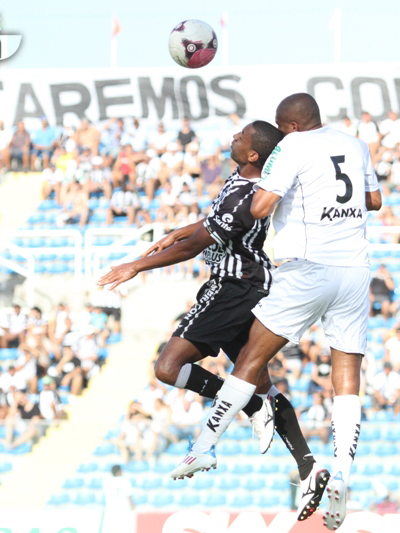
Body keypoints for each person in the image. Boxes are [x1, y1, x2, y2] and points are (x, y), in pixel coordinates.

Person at [166, 93, 382, 530]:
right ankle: (341, 470)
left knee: (250, 360)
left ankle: (206, 444)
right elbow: (374, 201)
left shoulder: (292, 146)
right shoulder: (355, 144)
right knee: (347, 376)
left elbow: (261, 206)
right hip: (356, 269)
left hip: (306, 268)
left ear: (291, 126)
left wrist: (234, 216)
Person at [96, 121, 323, 517]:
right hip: (249, 287)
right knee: (260, 383)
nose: (233, 138)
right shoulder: (242, 180)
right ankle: (308, 467)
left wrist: (138, 265)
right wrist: (177, 231)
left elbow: (198, 246)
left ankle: (251, 409)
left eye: (241, 138)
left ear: (254, 154)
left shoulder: (247, 194)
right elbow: (206, 227)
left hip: (233, 288)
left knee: (168, 367)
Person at [102, 465, 135, 533]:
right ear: (119, 471)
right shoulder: (124, 480)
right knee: (124, 528)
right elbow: (129, 495)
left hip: (110, 508)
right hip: (123, 508)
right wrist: (132, 507)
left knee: (112, 528)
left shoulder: (106, 481)